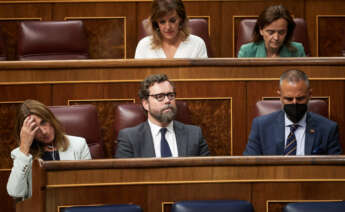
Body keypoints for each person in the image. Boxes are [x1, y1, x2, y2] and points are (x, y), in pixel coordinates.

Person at [243, 70, 342, 155]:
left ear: (309, 95)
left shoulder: (328, 128)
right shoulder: (261, 126)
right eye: (289, 99)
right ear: (280, 96)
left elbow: (335, 170)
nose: (294, 103)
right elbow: (250, 165)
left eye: (300, 98)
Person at [7, 99, 91, 200]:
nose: (44, 131)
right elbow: (15, 193)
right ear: (26, 132)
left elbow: (88, 189)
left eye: (43, 122)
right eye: (35, 129)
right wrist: (24, 147)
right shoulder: (21, 154)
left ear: (51, 119)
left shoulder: (79, 145)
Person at [115, 74, 210, 158]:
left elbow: (206, 173)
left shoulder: (194, 134)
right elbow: (124, 177)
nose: (167, 100)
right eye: (160, 97)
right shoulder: (129, 138)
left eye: (170, 95)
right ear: (146, 104)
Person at [134, 0, 208, 58]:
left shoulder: (197, 44)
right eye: (162, 22)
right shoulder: (144, 45)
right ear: (156, 23)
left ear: (181, 19)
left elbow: (203, 76)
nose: (168, 27)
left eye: (172, 20)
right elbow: (139, 76)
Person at [238, 5, 306, 58]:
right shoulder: (246, 51)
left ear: (287, 31)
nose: (276, 38)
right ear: (261, 30)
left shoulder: (297, 50)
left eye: (281, 32)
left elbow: (303, 75)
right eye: (271, 32)